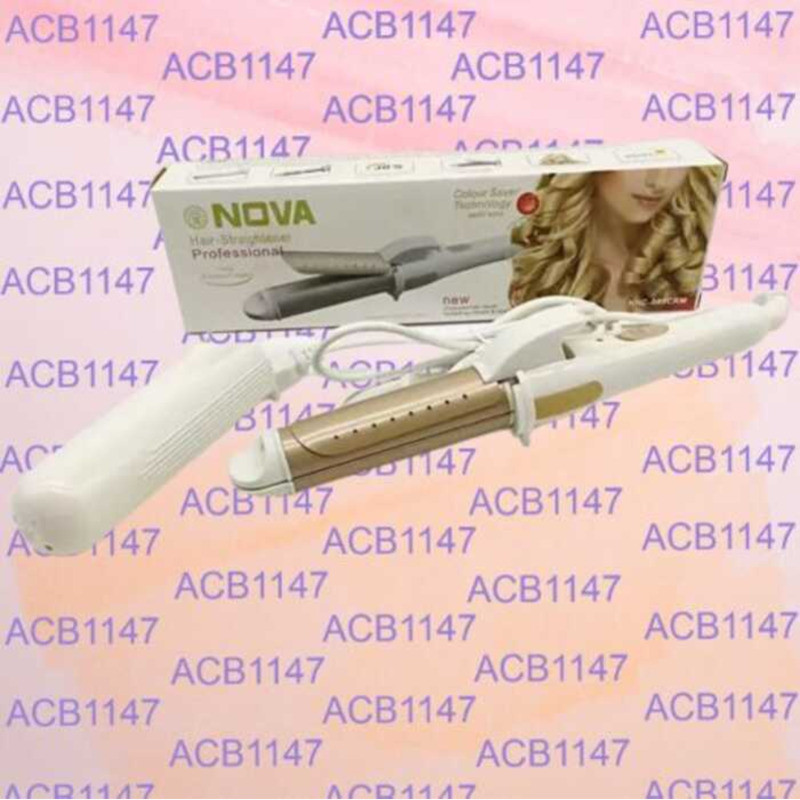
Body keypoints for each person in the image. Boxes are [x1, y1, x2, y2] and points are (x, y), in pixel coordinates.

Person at [508, 166, 724, 311]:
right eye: (637, 164)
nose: (658, 181)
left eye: (674, 165)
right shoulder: (543, 266)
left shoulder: (686, 265)